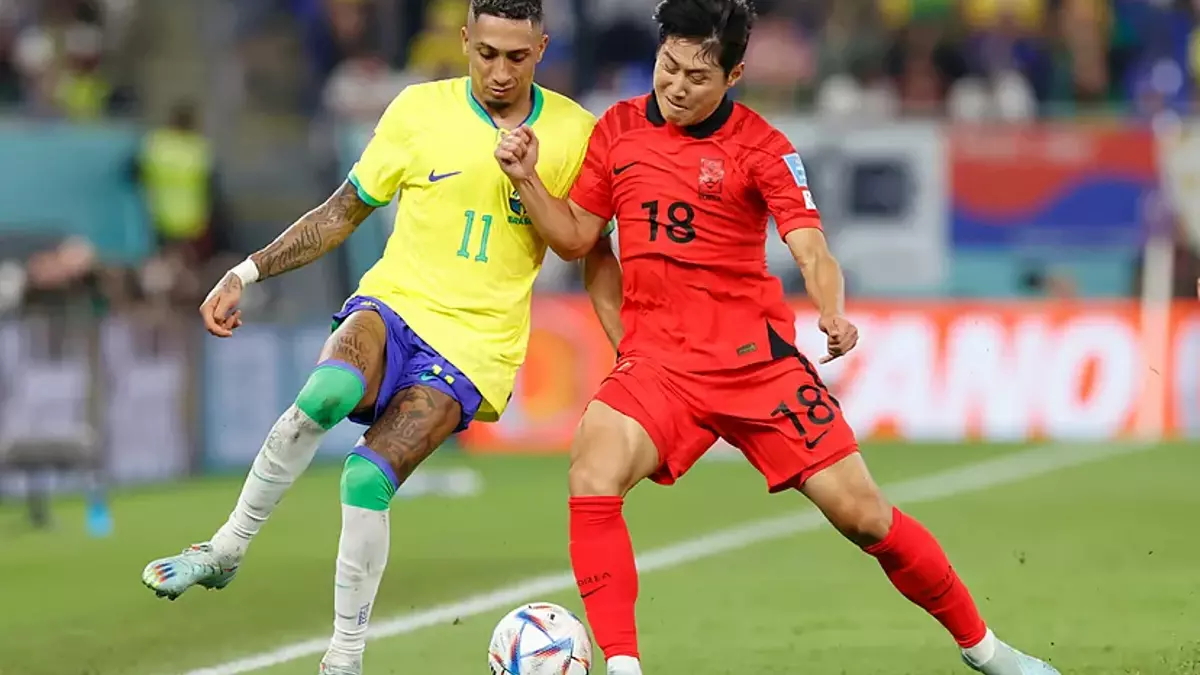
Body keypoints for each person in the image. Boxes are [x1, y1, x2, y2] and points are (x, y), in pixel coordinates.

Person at [493, 1, 1061, 674]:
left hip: (755, 366)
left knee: (865, 516)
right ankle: (623, 665)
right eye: (666, 67)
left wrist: (833, 310)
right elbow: (579, 239)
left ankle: (987, 651)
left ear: (733, 75)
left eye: (695, 78)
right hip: (662, 368)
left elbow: (812, 247)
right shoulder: (617, 129)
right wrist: (526, 178)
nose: (675, 86)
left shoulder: (763, 148)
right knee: (592, 464)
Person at [139, 2, 606, 674]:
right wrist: (247, 271)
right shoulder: (418, 111)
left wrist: (526, 176)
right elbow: (342, 211)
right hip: (395, 303)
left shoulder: (573, 132)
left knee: (364, 476)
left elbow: (579, 242)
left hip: (473, 345)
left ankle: (343, 657)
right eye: (486, 53)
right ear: (465, 39)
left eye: (517, 57)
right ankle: (225, 549)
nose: (499, 72)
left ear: (542, 48)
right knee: (325, 393)